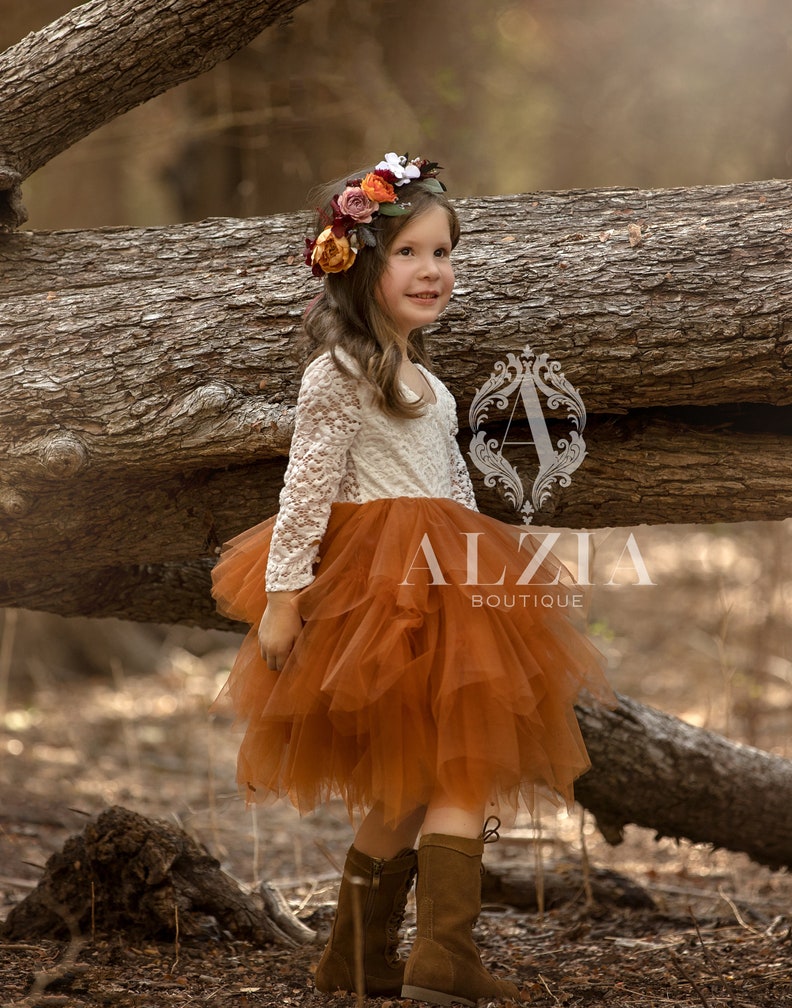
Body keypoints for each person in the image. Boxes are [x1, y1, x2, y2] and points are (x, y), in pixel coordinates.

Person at [211, 152, 614, 1006]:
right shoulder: (341, 373)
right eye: (410, 253)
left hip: (450, 580)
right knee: (450, 776)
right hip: (383, 591)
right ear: (359, 264)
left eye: (443, 253)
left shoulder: (426, 378)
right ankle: (441, 961)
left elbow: (457, 493)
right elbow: (305, 491)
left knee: (416, 782)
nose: (433, 271)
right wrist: (283, 599)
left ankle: (356, 960)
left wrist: (493, 575)